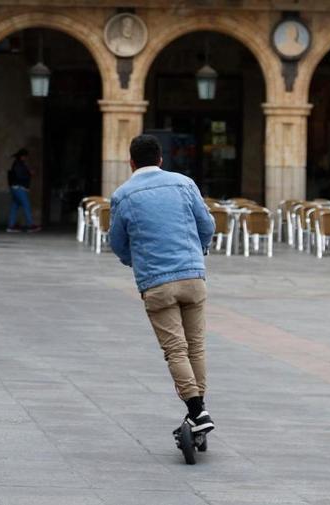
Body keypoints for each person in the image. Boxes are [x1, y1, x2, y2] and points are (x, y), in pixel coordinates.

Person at [110, 135, 216, 435]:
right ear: (161, 159)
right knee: (196, 347)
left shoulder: (123, 195)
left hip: (156, 282)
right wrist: (200, 249)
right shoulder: (184, 184)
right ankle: (200, 411)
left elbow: (117, 243)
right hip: (193, 277)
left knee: (175, 350)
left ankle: (197, 411)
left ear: (131, 162)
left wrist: (135, 260)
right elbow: (206, 225)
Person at [7, 148, 40, 233]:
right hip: (19, 188)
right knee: (26, 205)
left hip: (15, 187)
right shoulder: (19, 165)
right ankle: (30, 225)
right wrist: (29, 173)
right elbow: (20, 176)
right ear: (22, 156)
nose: (25, 158)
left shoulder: (18, 164)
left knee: (15, 206)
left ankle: (11, 225)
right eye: (25, 156)